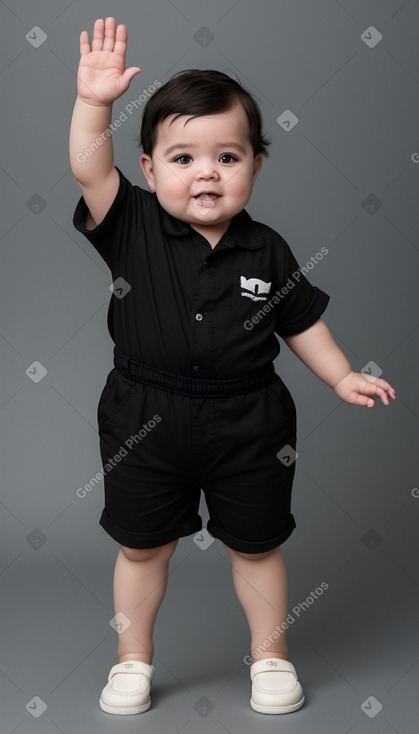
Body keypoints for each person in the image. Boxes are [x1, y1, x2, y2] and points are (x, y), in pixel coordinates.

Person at [69, 16, 396, 717]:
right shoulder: (128, 223)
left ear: (255, 165)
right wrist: (96, 100)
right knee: (141, 548)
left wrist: (339, 376)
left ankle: (270, 657)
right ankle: (133, 662)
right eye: (183, 158)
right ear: (151, 171)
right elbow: (88, 165)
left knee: (255, 548)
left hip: (248, 419)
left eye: (228, 156)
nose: (207, 173)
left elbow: (301, 322)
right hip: (143, 416)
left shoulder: (268, 250)